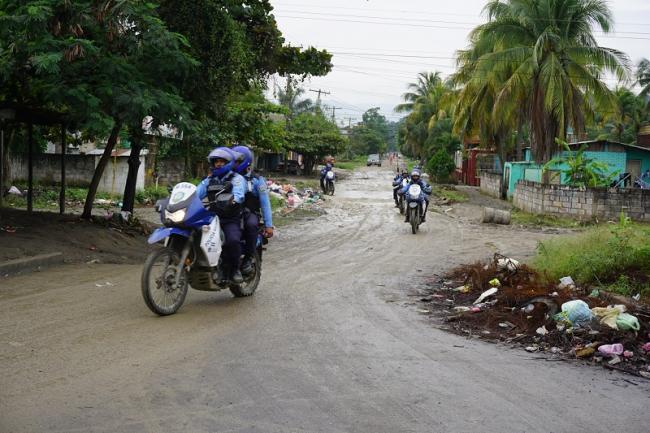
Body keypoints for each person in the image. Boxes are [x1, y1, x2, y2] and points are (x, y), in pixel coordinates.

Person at [197, 147, 246, 284]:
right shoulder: (209, 179)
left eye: (222, 161)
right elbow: (196, 193)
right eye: (216, 161)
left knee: (232, 240)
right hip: (212, 218)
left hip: (230, 218)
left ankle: (235, 269)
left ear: (228, 163)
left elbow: (239, 194)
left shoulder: (236, 178)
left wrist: (233, 200)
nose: (218, 164)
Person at [232, 145, 274, 275]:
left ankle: (249, 258)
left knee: (251, 225)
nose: (235, 164)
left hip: (250, 213)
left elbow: (265, 203)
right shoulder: (228, 176)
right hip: (231, 212)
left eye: (238, 161)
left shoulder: (256, 180)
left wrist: (268, 225)